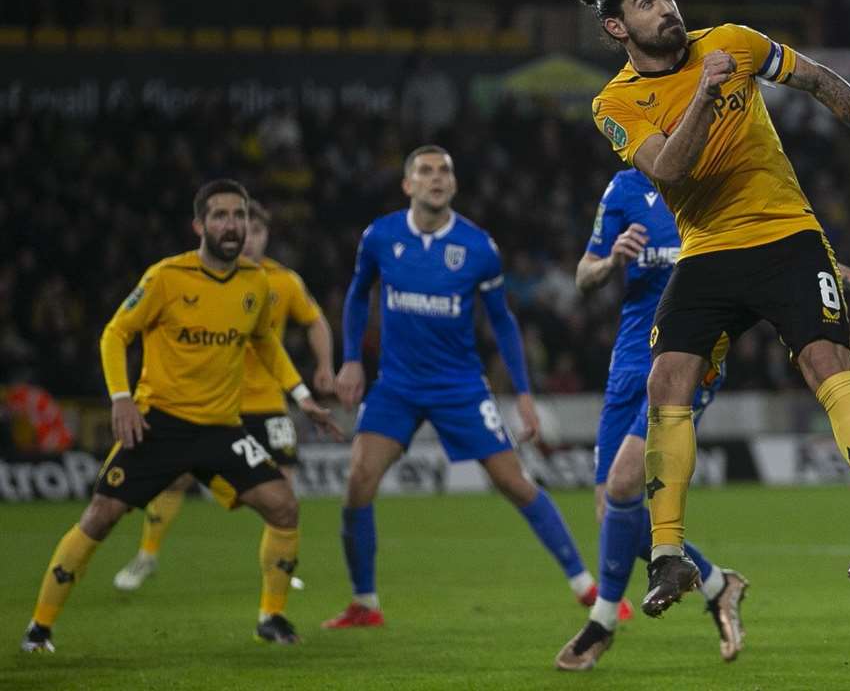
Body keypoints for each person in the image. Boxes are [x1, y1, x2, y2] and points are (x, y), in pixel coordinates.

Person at [568, 0, 850, 618]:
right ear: (617, 25)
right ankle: (668, 554)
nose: (667, 8)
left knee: (825, 364)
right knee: (666, 383)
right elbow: (672, 171)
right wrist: (708, 98)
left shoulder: (732, 43)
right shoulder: (615, 103)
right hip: (708, 252)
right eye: (647, 1)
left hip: (786, 237)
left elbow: (819, 80)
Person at [557, 168, 850, 669]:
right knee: (612, 511)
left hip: (690, 366)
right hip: (629, 363)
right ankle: (717, 584)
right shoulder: (622, 189)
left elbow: (786, 247)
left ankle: (601, 623)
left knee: (621, 486)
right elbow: (584, 274)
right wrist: (612, 258)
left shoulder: (710, 179)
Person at [20, 180, 341, 654]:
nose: (232, 225)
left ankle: (271, 617)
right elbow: (115, 334)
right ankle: (39, 628)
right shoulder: (166, 277)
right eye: (220, 216)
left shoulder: (256, 283)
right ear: (199, 225)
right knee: (101, 516)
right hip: (160, 424)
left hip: (222, 429)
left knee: (283, 506)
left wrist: (300, 394)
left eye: (239, 216)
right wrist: (121, 398)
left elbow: (264, 341)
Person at [324, 146, 596, 629]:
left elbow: (503, 322)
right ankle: (364, 603)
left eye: (444, 170)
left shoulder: (477, 247)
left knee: (513, 482)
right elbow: (355, 296)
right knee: (358, 482)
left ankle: (586, 587)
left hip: (460, 386)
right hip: (397, 385)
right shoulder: (381, 237)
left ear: (454, 184)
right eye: (425, 171)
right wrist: (350, 360)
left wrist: (526, 396)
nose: (436, 178)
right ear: (407, 185)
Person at [112, 199, 337, 593]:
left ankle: (279, 571)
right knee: (175, 478)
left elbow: (315, 320)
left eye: (258, 230)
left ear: (266, 236)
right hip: (218, 406)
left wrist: (324, 366)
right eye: (243, 228)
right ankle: (147, 555)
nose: (249, 238)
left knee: (284, 487)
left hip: (269, 403)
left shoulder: (281, 281)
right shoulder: (199, 278)